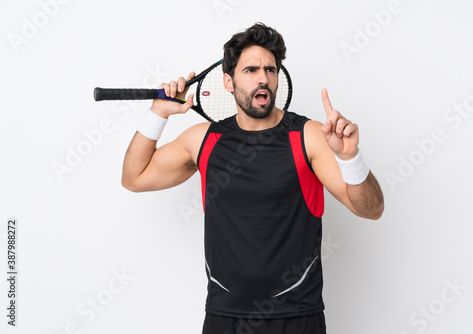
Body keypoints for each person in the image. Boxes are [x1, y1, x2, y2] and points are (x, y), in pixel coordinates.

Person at [121, 23, 384, 334]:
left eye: (270, 70)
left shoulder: (308, 137)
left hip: (297, 318)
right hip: (224, 318)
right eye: (251, 70)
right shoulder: (204, 140)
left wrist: (350, 158)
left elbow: (371, 209)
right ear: (228, 83)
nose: (263, 78)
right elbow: (133, 178)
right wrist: (158, 114)